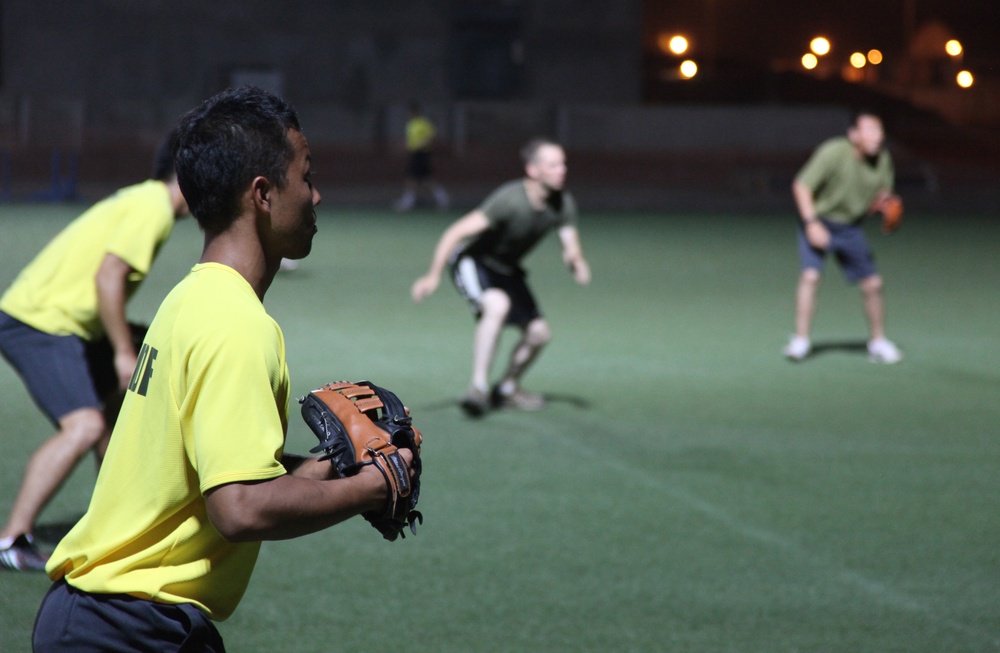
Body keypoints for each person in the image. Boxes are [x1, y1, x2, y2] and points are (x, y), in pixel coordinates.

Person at [31, 86, 413, 652]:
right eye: (306, 176)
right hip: (128, 629)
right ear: (263, 194)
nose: (316, 195)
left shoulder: (190, 298)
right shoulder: (237, 324)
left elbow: (217, 473)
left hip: (105, 617)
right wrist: (374, 487)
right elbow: (240, 508)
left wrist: (333, 466)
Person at [0, 131, 189, 572]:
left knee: (115, 413)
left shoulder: (144, 200)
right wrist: (122, 351)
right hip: (41, 322)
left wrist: (131, 341)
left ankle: (118, 523)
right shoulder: (154, 207)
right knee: (84, 426)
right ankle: (12, 538)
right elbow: (108, 277)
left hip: (66, 324)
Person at [411, 138, 590, 416]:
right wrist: (432, 275)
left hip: (508, 269)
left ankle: (507, 388)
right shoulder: (510, 200)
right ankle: (478, 388)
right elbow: (455, 232)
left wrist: (576, 261)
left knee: (539, 334)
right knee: (496, 305)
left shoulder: (562, 202)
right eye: (553, 165)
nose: (562, 170)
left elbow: (570, 242)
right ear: (533, 170)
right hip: (473, 261)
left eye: (563, 164)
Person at [784, 109, 903, 364]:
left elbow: (880, 195)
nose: (876, 137)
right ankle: (800, 340)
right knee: (810, 276)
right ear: (853, 135)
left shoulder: (883, 159)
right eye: (869, 130)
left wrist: (885, 205)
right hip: (819, 220)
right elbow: (801, 186)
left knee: (873, 284)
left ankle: (878, 342)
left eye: (879, 130)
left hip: (849, 227)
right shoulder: (833, 152)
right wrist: (811, 223)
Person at [393, 101, 449, 211]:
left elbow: (431, 137)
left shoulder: (423, 123)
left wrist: (420, 145)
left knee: (417, 178)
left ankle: (409, 202)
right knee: (420, 179)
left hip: (422, 154)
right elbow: (410, 141)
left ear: (415, 112)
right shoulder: (410, 124)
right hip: (414, 154)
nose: (408, 114)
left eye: (410, 112)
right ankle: (442, 199)